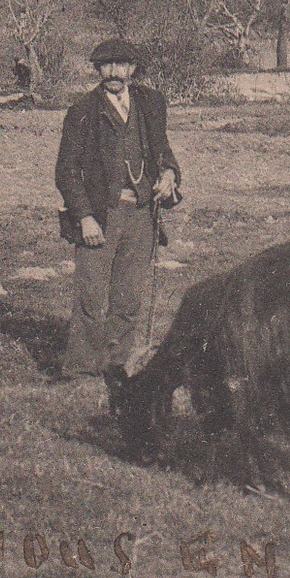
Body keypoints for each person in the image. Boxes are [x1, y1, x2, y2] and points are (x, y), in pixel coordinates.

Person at [54, 38, 180, 385]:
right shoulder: (82, 110)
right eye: (106, 66)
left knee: (128, 298)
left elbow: (163, 151)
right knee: (91, 300)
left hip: (142, 214)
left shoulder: (151, 104)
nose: (114, 72)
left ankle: (116, 368)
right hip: (101, 216)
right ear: (98, 70)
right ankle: (82, 373)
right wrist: (85, 217)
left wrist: (169, 174)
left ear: (133, 69)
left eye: (121, 65)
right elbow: (66, 171)